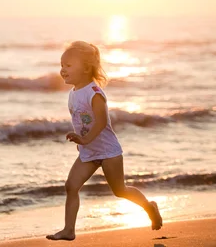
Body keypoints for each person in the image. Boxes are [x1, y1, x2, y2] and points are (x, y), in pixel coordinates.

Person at [46, 41, 162, 241]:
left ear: (85, 68)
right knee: (71, 186)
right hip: (88, 152)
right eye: (62, 64)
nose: (63, 69)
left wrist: (84, 139)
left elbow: (100, 123)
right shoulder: (73, 94)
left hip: (108, 151)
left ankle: (149, 206)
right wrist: (81, 141)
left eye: (68, 65)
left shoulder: (95, 93)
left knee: (120, 190)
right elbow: (83, 122)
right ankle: (69, 230)